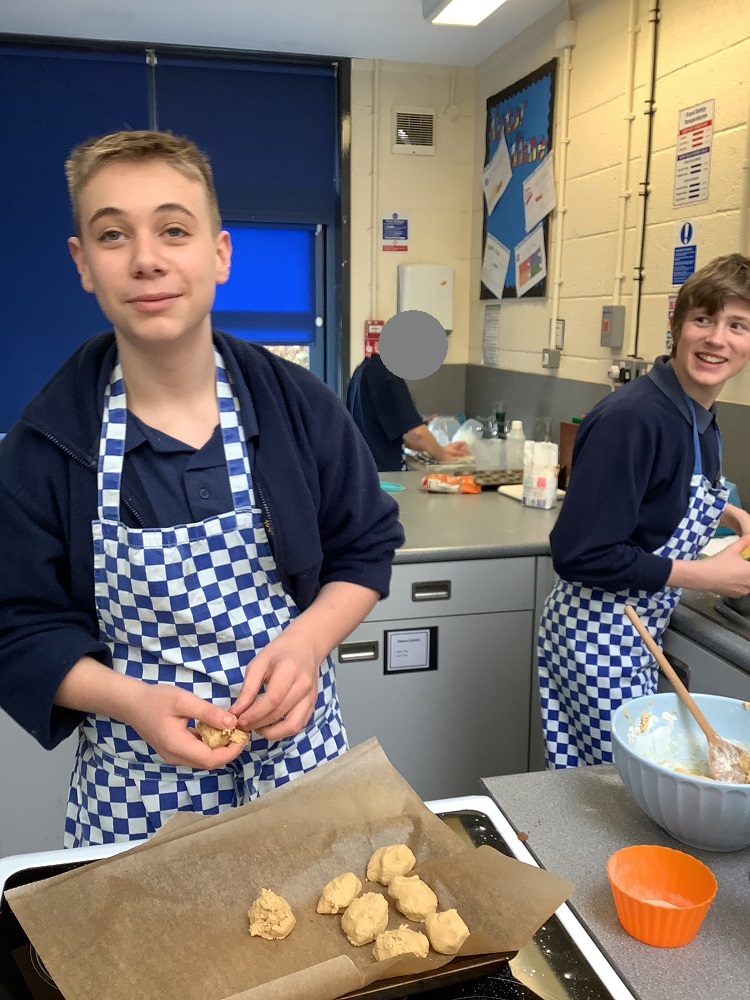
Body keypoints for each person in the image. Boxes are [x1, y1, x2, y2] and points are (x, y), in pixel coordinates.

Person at [0, 130, 404, 846]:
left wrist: (307, 643)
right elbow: (16, 629)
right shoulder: (45, 445)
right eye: (113, 234)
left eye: (174, 230)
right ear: (83, 263)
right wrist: (132, 701)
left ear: (220, 254)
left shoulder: (299, 408)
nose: (147, 258)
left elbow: (365, 548)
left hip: (298, 762)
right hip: (137, 783)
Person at [538, 253, 750, 768]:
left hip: (635, 631)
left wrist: (731, 514)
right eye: (704, 319)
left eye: (737, 325)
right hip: (596, 638)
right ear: (677, 325)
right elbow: (579, 553)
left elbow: (661, 490)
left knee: (602, 785)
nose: (716, 339)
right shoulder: (633, 419)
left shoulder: (697, 411)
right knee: (615, 791)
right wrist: (705, 577)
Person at [346, 350, 469, 472]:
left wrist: (440, 449)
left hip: (367, 471)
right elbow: (417, 434)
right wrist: (444, 457)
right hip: (386, 475)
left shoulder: (363, 369)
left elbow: (402, 434)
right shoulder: (387, 372)